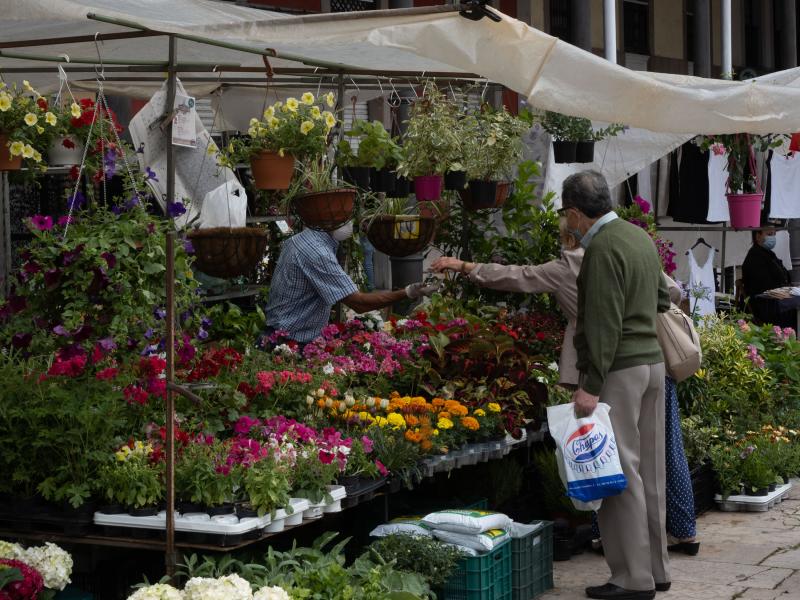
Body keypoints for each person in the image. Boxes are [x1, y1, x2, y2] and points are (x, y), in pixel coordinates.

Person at [432, 220, 699, 560]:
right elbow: (672, 292)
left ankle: (618, 544)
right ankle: (681, 532)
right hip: (653, 363)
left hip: (608, 370)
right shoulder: (630, 248)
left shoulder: (570, 265)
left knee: (607, 455)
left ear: (568, 235)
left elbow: (518, 276)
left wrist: (464, 266)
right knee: (663, 451)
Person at [563, 170, 671, 600]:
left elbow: (603, 324)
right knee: (650, 472)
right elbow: (663, 299)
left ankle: (632, 578)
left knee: (619, 473)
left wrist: (590, 385)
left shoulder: (602, 248)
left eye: (567, 215)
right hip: (653, 365)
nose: (567, 223)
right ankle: (657, 570)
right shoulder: (639, 237)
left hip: (620, 371)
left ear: (575, 212)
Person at [430, 220, 584, 386]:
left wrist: (464, 266)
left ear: (569, 240)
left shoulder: (567, 267)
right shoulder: (598, 256)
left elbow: (517, 276)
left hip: (586, 353)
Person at [263, 221, 437, 347]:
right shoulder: (317, 252)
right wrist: (408, 292)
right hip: (290, 343)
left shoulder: (300, 240)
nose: (350, 223)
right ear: (328, 217)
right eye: (345, 218)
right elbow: (359, 303)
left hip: (279, 335)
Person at [742, 228, 793, 328]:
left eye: (774, 234)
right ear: (758, 236)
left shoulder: (769, 254)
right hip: (765, 306)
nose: (773, 237)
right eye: (769, 234)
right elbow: (765, 286)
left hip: (774, 301)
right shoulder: (755, 257)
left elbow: (784, 275)